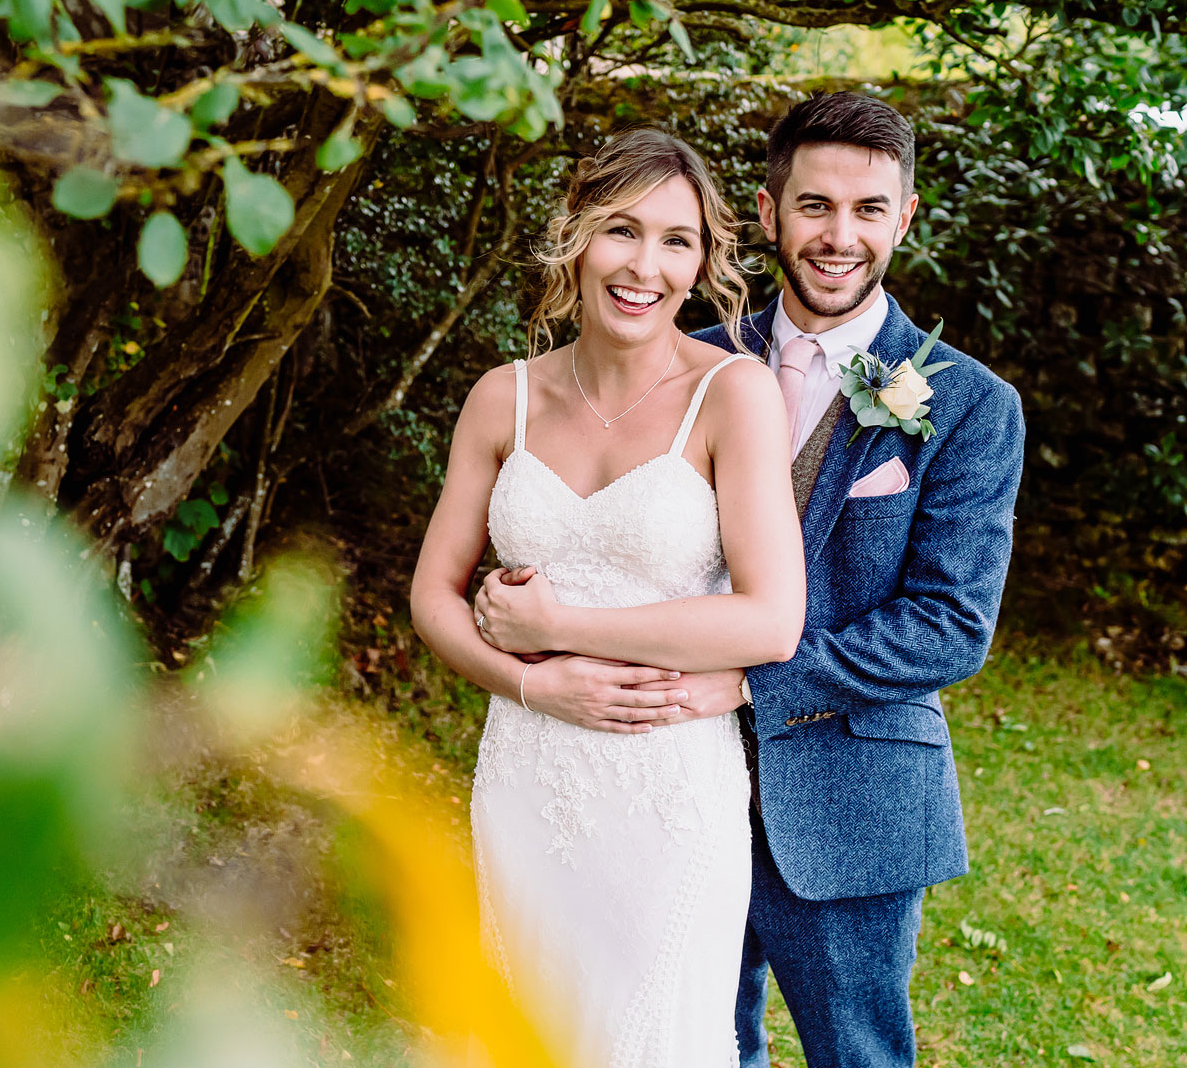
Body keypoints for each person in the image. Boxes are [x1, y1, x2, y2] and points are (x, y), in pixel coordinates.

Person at [475, 93, 1026, 1068]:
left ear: (903, 217)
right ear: (768, 213)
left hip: (849, 800)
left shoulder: (970, 406)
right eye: (814, 206)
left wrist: (752, 678)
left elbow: (948, 624)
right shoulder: (685, 364)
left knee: (854, 1054)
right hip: (661, 782)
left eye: (867, 210)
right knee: (688, 1041)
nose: (838, 236)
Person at [410, 128, 805, 1068]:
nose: (646, 265)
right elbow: (431, 594)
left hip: (666, 789)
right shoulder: (499, 399)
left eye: (678, 240)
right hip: (524, 774)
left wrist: (558, 628)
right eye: (621, 231)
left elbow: (771, 619)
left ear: (704, 260)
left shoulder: (733, 394)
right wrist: (531, 682)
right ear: (575, 236)